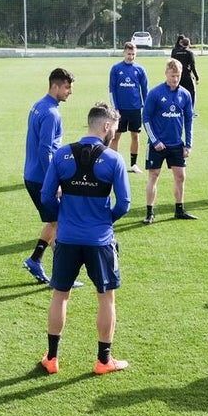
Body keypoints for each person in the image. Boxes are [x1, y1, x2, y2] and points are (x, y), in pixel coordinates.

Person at [38, 103, 131, 375]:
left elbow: (46, 196)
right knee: (106, 299)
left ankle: (52, 359)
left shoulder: (63, 154)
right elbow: (124, 203)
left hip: (66, 239)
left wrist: (64, 218)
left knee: (60, 296)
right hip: (100, 241)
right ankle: (104, 361)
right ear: (105, 126)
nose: (114, 133)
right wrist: (104, 221)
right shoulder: (114, 159)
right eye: (114, 128)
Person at [22, 68, 74, 285]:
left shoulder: (38, 105)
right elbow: (45, 150)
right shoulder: (51, 113)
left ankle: (38, 261)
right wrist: (53, 181)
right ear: (55, 86)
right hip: (41, 178)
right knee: (59, 224)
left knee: (56, 222)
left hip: (31, 174)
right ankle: (53, 270)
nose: (70, 92)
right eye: (67, 87)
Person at [142, 58, 196, 223]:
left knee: (180, 176)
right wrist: (155, 140)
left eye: (178, 76)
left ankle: (179, 209)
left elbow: (189, 120)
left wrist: (188, 144)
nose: (175, 79)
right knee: (154, 175)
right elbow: (146, 117)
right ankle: (150, 212)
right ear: (166, 73)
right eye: (172, 75)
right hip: (157, 145)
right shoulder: (155, 93)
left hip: (176, 144)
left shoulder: (185, 95)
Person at [108, 41, 149, 173]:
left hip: (135, 109)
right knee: (116, 136)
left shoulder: (140, 69)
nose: (131, 56)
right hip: (120, 110)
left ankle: (133, 164)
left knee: (135, 136)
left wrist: (146, 107)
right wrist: (115, 108)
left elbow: (145, 90)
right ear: (124, 53)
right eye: (129, 54)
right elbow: (112, 89)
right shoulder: (116, 68)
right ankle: (113, 163)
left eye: (133, 54)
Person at [170, 34, 200, 113]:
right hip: (187, 76)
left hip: (177, 76)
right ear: (188, 44)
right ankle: (191, 110)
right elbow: (192, 66)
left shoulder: (175, 52)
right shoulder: (189, 53)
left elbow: (171, 63)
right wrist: (197, 77)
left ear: (181, 43)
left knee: (176, 92)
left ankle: (176, 109)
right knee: (191, 92)